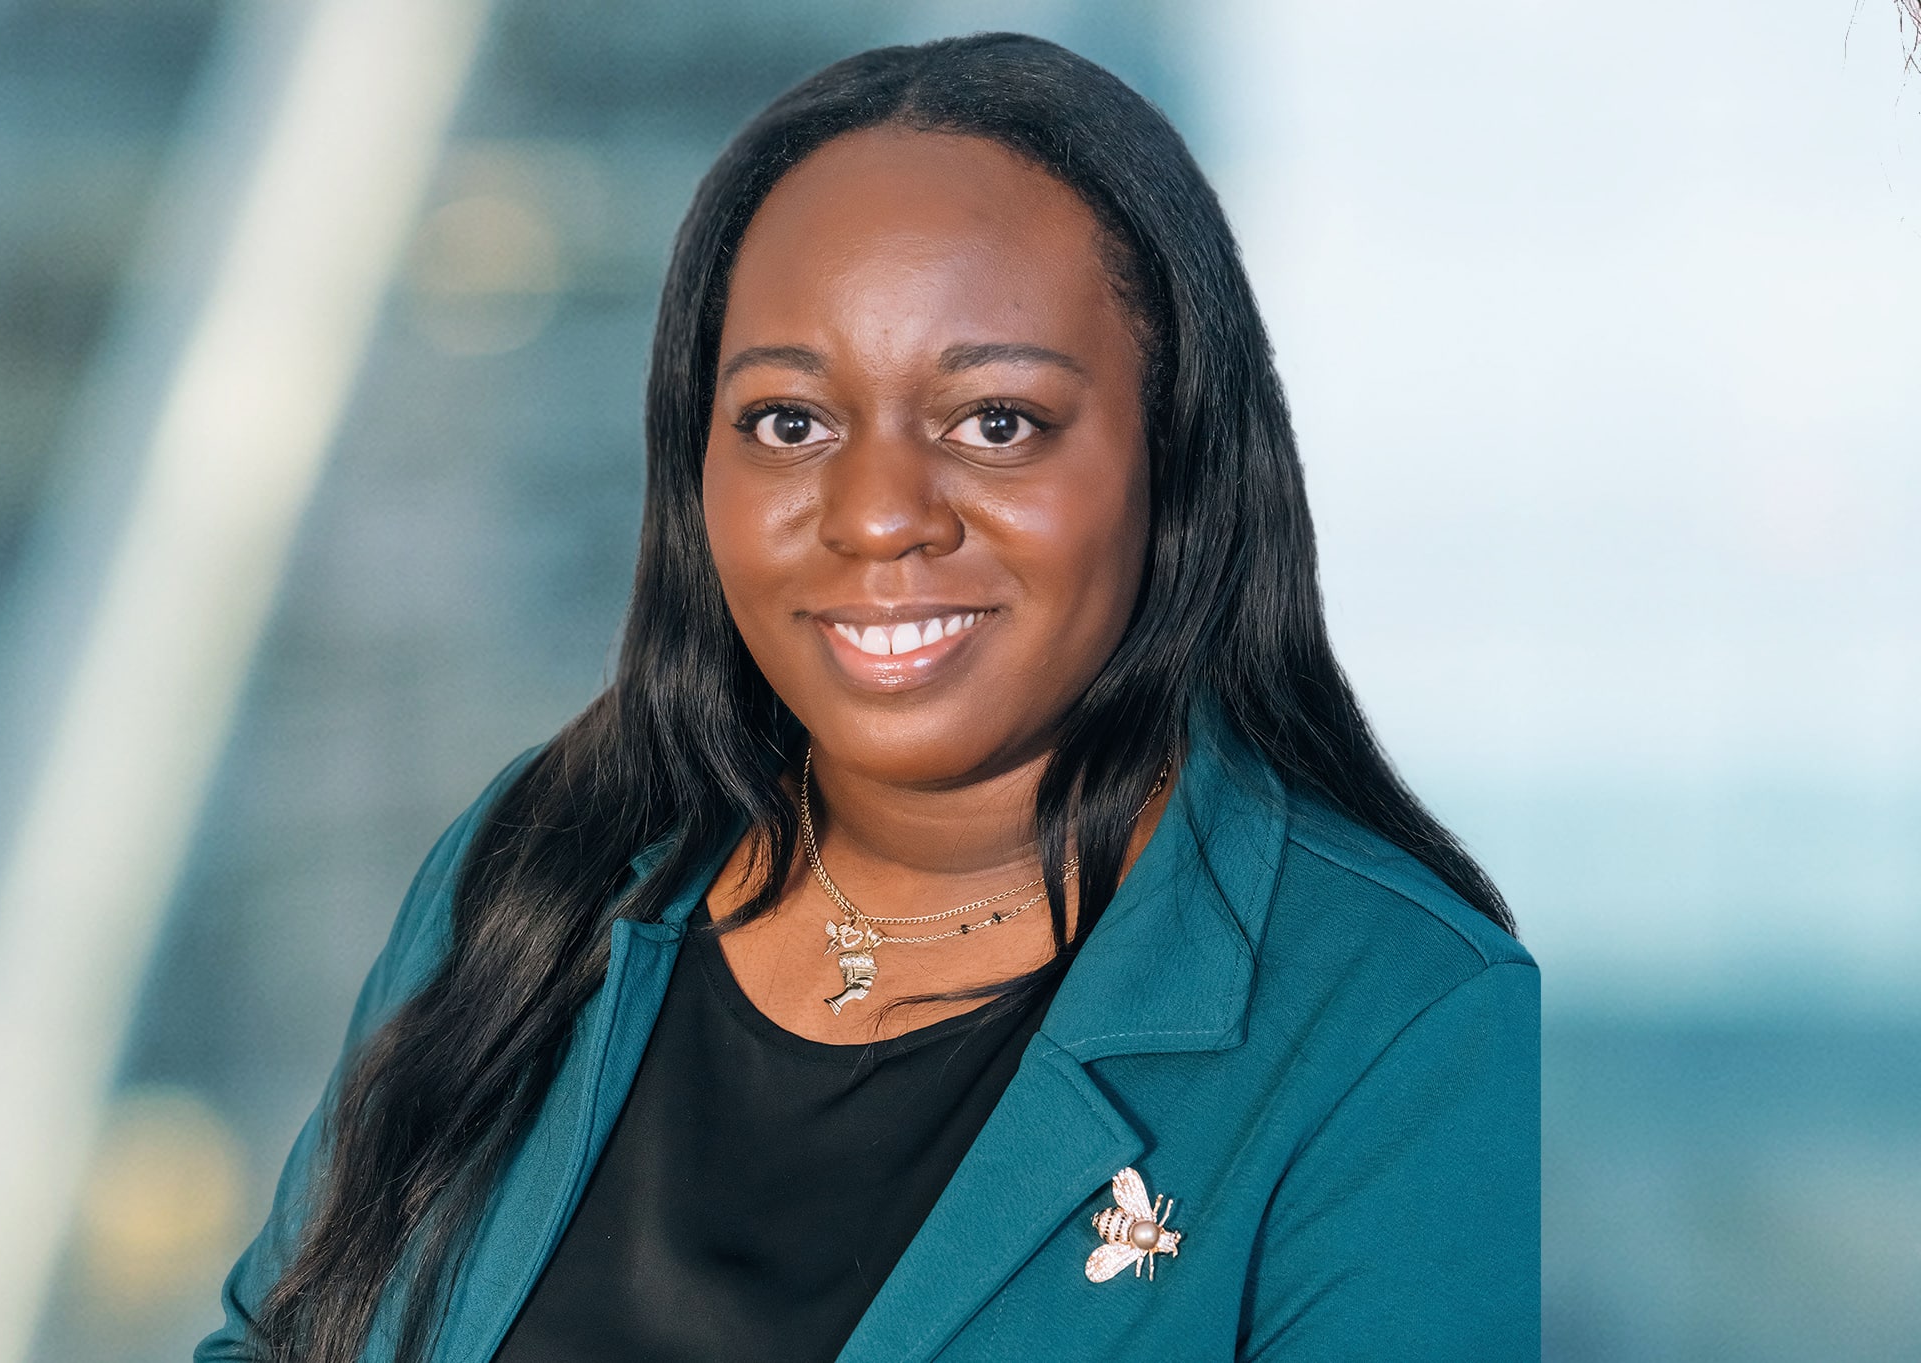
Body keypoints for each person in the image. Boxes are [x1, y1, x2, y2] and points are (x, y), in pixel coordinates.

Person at [198, 32, 1537, 1363]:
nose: (879, 516)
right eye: (791, 423)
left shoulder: (1394, 1015)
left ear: (1177, 450)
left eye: (996, 422)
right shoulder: (542, 858)